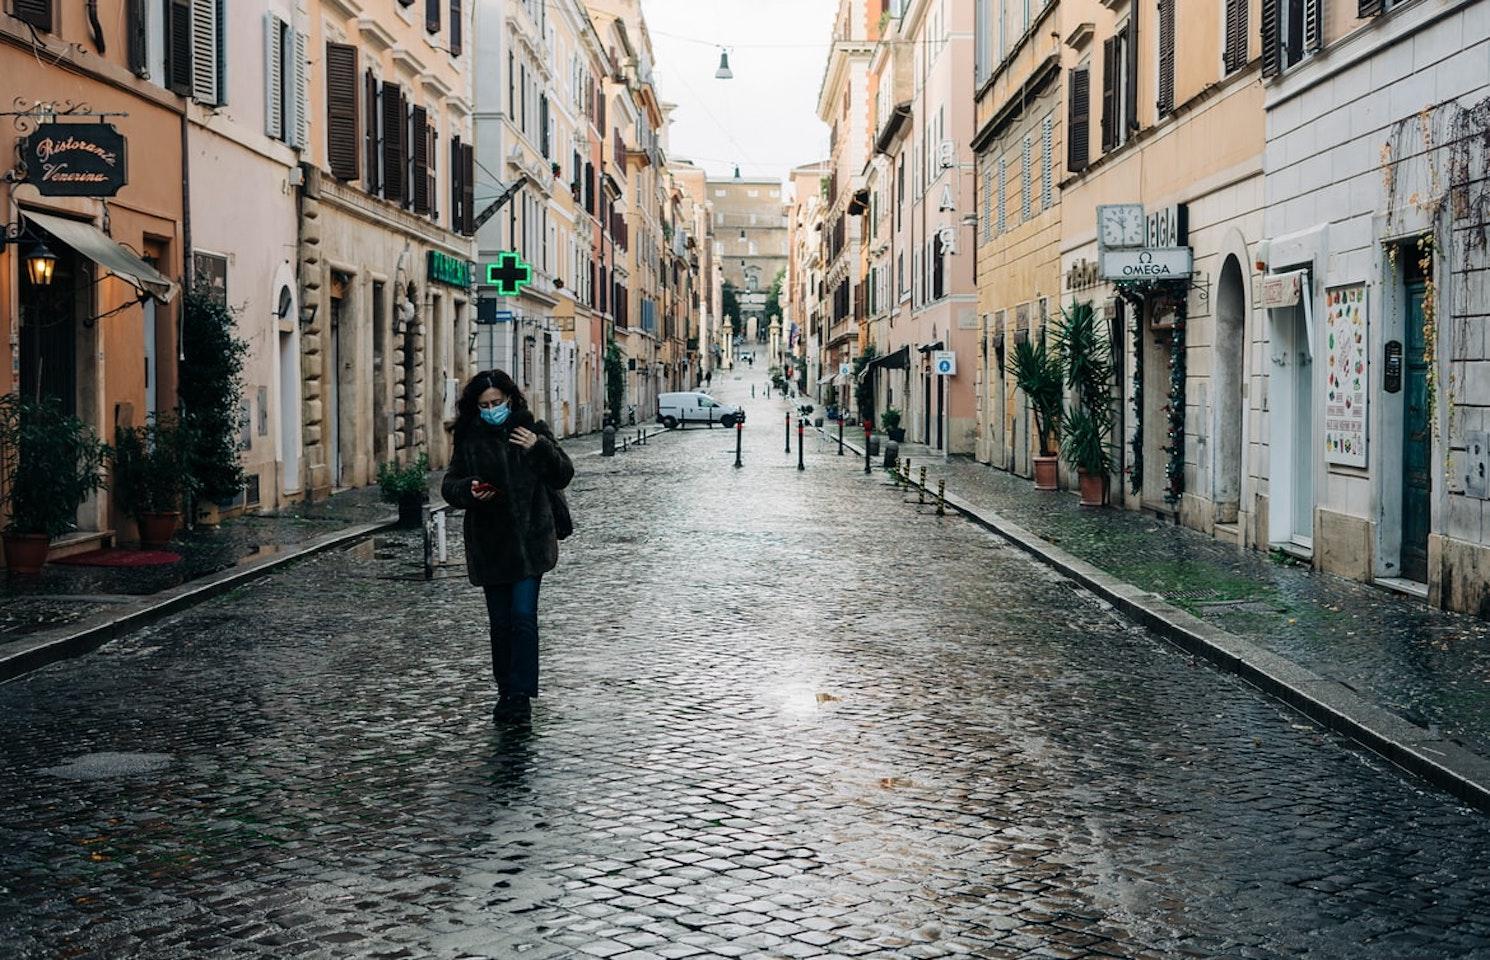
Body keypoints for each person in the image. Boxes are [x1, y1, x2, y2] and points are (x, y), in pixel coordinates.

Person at [442, 370, 574, 724]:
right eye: (484, 405)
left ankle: (521, 696)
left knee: (523, 618)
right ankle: (505, 691)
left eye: (497, 403)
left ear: (511, 400)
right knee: (500, 625)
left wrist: (538, 447)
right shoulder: (469, 438)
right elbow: (450, 484)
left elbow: (563, 473)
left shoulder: (532, 430)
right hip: (491, 547)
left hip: (531, 543)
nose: (491, 410)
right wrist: (469, 489)